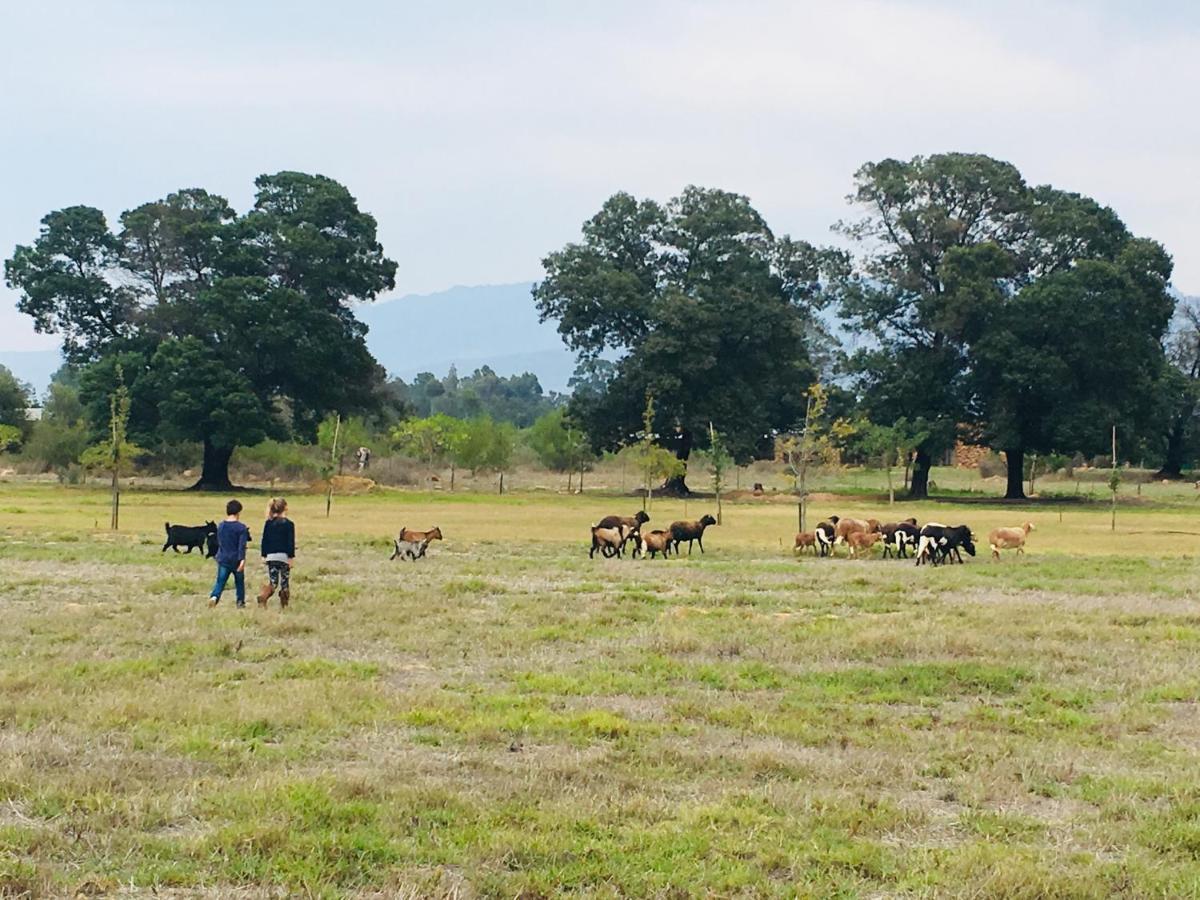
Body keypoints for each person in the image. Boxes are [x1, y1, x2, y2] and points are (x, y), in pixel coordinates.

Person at [209, 499, 251, 608]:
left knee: (220, 581)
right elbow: (241, 546)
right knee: (239, 582)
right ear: (238, 512)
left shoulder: (221, 526)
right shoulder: (241, 527)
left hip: (223, 558)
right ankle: (240, 602)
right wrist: (242, 560)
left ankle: (214, 597)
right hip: (236, 559)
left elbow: (220, 542)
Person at [258, 497, 295, 608]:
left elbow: (264, 540)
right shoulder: (289, 524)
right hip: (283, 557)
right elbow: (290, 542)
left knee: (273, 582)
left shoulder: (268, 523)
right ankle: (284, 604)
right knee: (284, 582)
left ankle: (263, 596)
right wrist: (291, 558)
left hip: (271, 556)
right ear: (285, 508)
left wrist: (264, 555)